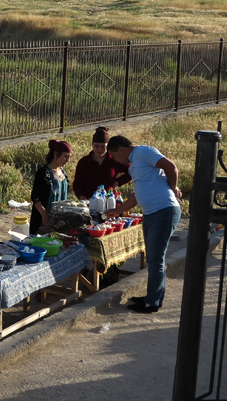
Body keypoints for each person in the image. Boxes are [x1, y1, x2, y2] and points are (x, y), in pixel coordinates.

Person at [104, 135, 182, 314]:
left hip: (163, 210)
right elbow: (137, 195)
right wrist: (118, 210)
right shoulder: (134, 164)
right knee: (153, 259)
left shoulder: (143, 152)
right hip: (151, 213)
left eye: (115, 156)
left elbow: (171, 167)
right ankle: (151, 297)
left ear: (121, 150)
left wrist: (172, 187)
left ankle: (152, 302)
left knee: (156, 259)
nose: (116, 160)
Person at [72, 126, 131, 200]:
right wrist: (81, 196)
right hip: (90, 201)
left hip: (110, 200)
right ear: (92, 145)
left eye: (103, 146)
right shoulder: (84, 162)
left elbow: (132, 170)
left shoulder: (114, 160)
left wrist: (119, 181)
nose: (99, 149)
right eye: (96, 146)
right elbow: (77, 183)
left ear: (108, 146)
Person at [30, 140, 73, 234]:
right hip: (43, 220)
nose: (68, 160)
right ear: (56, 154)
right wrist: (44, 214)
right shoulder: (43, 173)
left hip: (59, 220)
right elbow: (35, 196)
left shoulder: (63, 172)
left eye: (69, 157)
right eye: (65, 156)